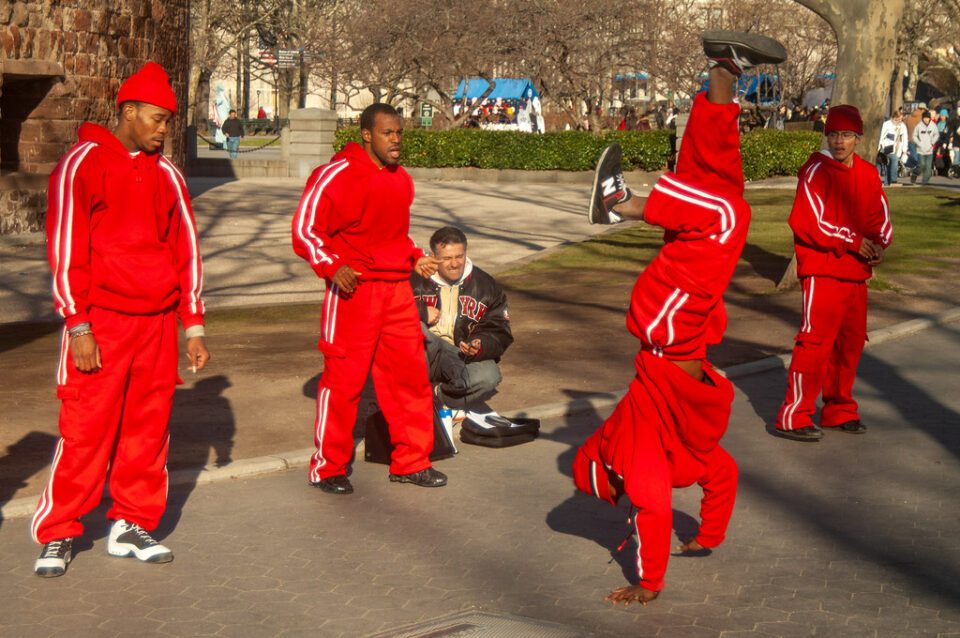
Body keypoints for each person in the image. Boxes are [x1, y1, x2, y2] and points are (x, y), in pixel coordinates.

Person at [581, 31, 787, 605]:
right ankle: (725, 72)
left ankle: (620, 204)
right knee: (715, 183)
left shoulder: (643, 458)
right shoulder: (695, 459)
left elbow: (649, 509)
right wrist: (707, 539)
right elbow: (723, 479)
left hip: (667, 324)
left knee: (727, 215)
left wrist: (649, 584)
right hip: (687, 325)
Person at [31, 62, 209, 578]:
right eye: (156, 119)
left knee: (147, 429)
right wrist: (78, 324)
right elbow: (65, 249)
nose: (163, 129)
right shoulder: (80, 163)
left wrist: (192, 324)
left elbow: (187, 251)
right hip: (100, 323)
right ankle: (60, 530)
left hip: (155, 326)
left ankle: (132, 522)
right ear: (128, 112)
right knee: (85, 428)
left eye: (168, 121)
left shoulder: (168, 174)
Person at [291, 103, 448, 495]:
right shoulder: (334, 175)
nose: (396, 140)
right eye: (387, 133)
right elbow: (306, 230)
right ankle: (327, 468)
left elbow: (394, 235)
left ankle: (411, 462)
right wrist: (331, 266)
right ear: (366, 134)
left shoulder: (401, 179)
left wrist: (415, 258)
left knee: (409, 380)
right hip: (353, 291)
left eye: (399, 133)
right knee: (343, 382)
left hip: (397, 292)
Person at [774, 105, 893, 441]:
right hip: (823, 269)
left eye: (847, 135)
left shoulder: (868, 173)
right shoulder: (814, 170)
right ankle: (794, 415)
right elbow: (809, 222)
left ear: (858, 138)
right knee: (814, 343)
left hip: (856, 271)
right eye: (834, 134)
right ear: (827, 136)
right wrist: (852, 241)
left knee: (850, 343)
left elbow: (879, 216)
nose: (840, 142)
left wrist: (880, 243)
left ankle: (839, 409)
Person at [411, 227, 513, 418]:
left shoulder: (486, 286)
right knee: (416, 328)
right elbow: (385, 308)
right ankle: (413, 399)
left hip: (457, 354)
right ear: (433, 256)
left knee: (489, 376)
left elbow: (500, 329)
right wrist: (421, 311)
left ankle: (439, 397)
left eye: (459, 256)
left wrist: (480, 344)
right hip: (423, 350)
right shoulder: (413, 278)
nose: (454, 264)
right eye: (447, 258)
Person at [878, 110, 908, 186]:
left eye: (902, 118)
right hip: (887, 147)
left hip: (898, 148)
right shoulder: (887, 124)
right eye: (900, 118)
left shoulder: (902, 126)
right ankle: (894, 180)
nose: (901, 120)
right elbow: (881, 136)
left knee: (889, 164)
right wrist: (879, 147)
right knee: (894, 159)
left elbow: (905, 138)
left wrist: (904, 151)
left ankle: (887, 183)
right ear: (895, 117)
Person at [912, 110, 940, 185]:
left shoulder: (933, 125)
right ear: (922, 118)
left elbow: (936, 135)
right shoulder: (918, 126)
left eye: (927, 118)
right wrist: (919, 143)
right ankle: (914, 173)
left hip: (929, 150)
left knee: (928, 168)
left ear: (930, 118)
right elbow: (914, 136)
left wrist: (932, 142)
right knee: (921, 166)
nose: (926, 119)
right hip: (920, 150)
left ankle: (925, 182)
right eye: (924, 118)